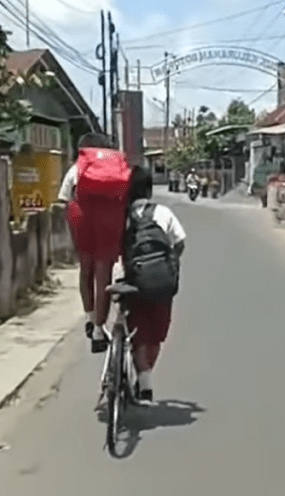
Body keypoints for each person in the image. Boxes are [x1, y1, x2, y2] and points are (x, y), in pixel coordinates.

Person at [58, 133, 131, 353]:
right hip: (110, 218)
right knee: (104, 273)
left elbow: (63, 200)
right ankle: (100, 330)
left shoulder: (77, 168)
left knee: (85, 268)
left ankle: (90, 318)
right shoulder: (117, 164)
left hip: (82, 215)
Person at [120, 165, 186, 401]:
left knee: (137, 331)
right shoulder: (163, 213)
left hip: (134, 283)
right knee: (156, 335)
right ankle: (145, 381)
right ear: (149, 190)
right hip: (161, 283)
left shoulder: (122, 215)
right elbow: (179, 242)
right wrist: (167, 263)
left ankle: (144, 380)